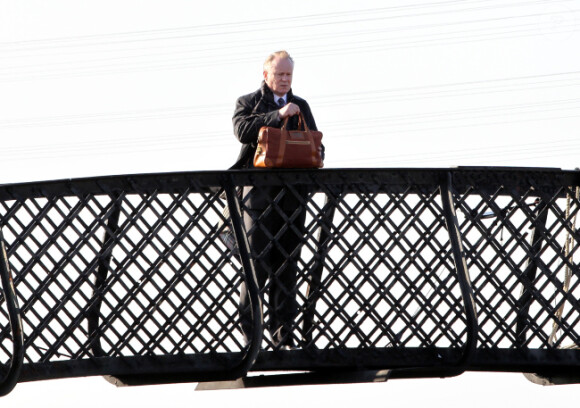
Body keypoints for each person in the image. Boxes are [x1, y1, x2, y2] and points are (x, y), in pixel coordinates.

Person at [232, 50, 320, 349]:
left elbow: (313, 143)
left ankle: (283, 336)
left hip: (292, 197)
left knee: (288, 267)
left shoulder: (302, 106)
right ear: (266, 74)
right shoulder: (249, 102)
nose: (285, 80)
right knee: (255, 267)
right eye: (280, 74)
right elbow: (242, 132)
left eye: (289, 75)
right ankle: (251, 337)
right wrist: (277, 116)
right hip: (256, 196)